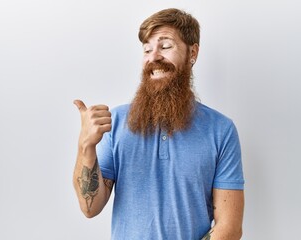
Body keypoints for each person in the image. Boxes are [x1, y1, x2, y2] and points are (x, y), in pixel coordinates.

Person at [73, 8, 244, 240]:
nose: (153, 57)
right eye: (147, 49)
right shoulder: (116, 123)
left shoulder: (221, 130)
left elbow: (229, 228)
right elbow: (89, 208)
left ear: (192, 53)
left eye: (165, 46)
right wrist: (86, 146)